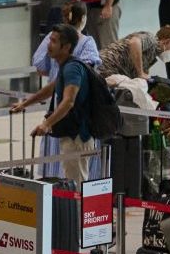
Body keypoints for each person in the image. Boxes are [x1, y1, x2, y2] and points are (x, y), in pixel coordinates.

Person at [13, 25, 103, 184]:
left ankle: (77, 210)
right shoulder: (66, 66)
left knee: (77, 187)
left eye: (54, 41)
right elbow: (50, 89)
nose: (49, 45)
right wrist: (24, 104)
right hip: (72, 135)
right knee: (72, 181)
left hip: (78, 137)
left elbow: (69, 101)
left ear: (66, 47)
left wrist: (46, 124)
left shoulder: (72, 68)